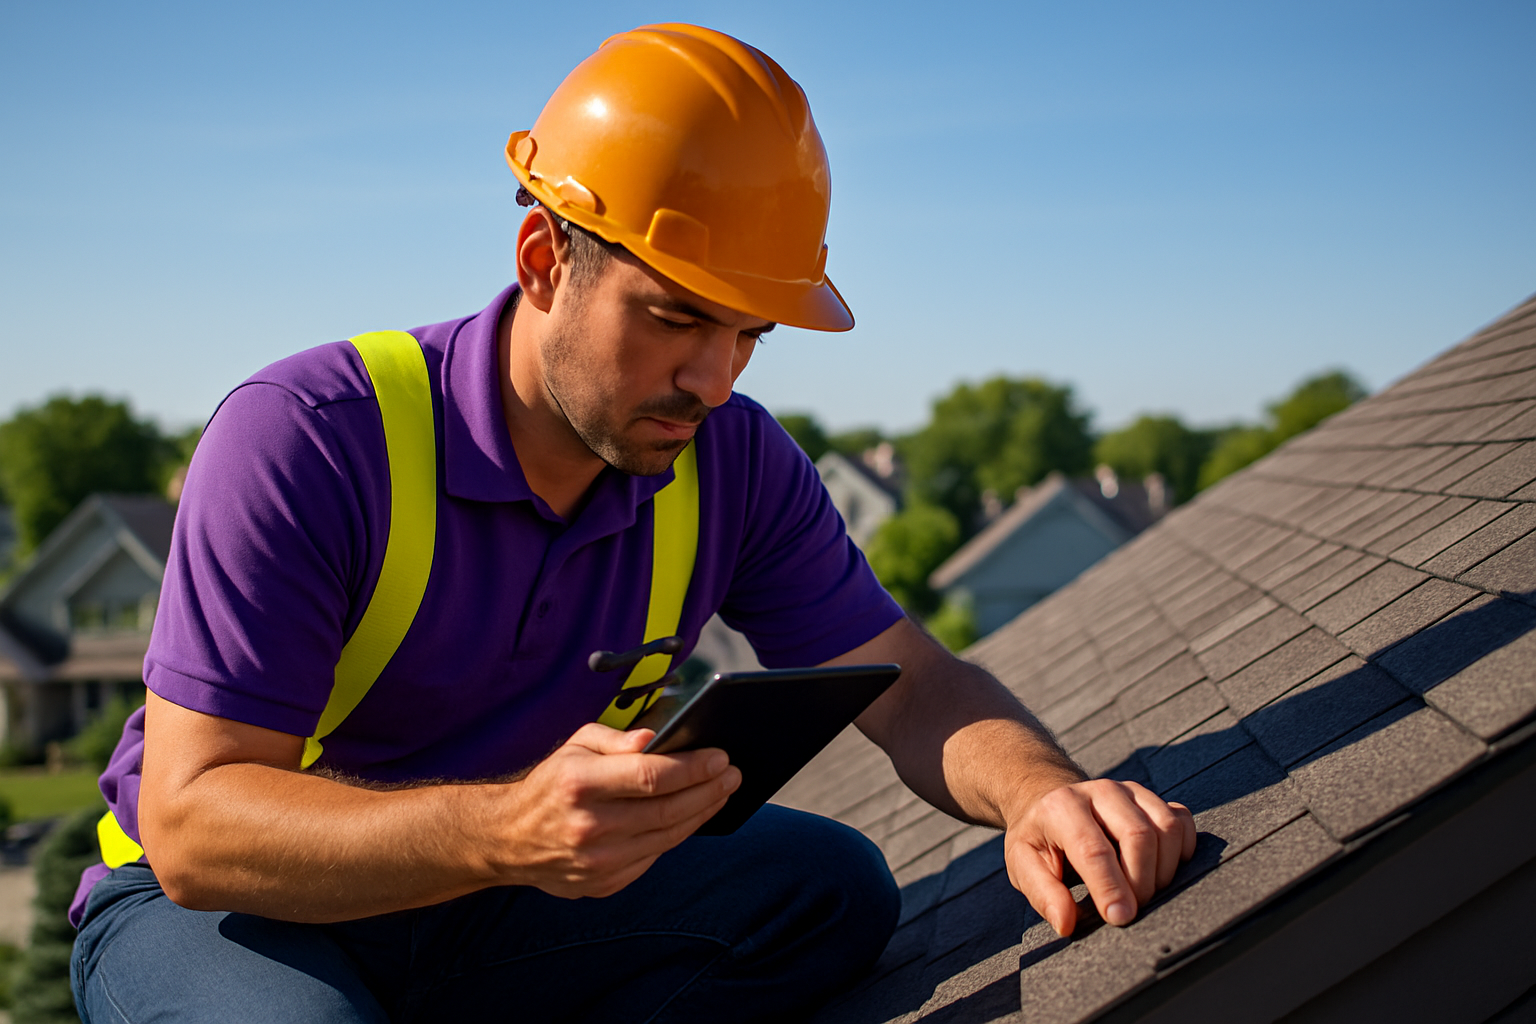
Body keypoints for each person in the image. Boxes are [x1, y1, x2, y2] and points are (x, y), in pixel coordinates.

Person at [69, 23, 1195, 1023]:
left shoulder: (735, 463)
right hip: (226, 913)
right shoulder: (309, 439)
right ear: (544, 260)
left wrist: (1044, 791)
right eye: (674, 319)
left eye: (750, 334)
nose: (713, 379)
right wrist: (503, 830)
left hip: (495, 896)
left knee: (826, 893)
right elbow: (194, 825)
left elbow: (914, 682)